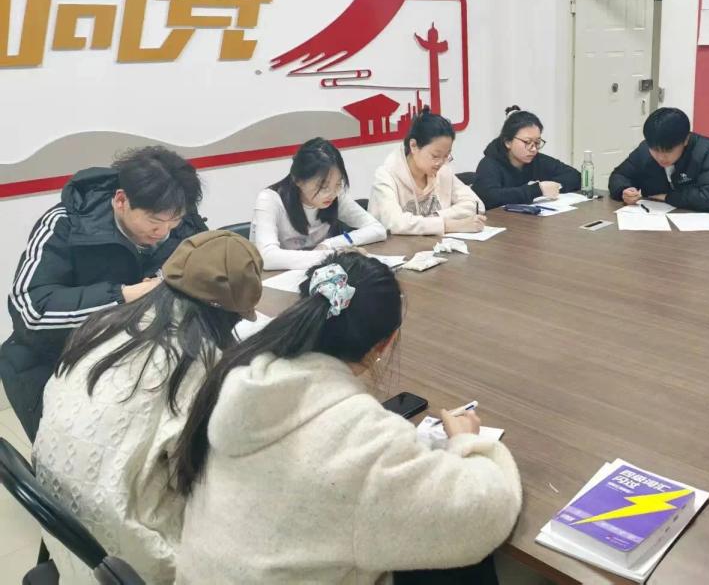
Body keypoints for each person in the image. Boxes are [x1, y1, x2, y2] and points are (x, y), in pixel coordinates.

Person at [172, 252, 522, 584]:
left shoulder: (242, 382)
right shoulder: (360, 438)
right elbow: (485, 514)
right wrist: (466, 442)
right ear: (386, 343)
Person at [31, 230, 262, 585]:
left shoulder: (103, 325)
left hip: (60, 526)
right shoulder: (198, 367)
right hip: (124, 557)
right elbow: (202, 476)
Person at [0, 146, 206, 440]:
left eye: (173, 222)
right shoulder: (66, 223)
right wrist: (123, 295)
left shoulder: (182, 222)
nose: (164, 232)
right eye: (154, 222)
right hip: (54, 361)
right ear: (121, 200)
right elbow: (31, 310)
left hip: (136, 361)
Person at [250, 137, 386, 270]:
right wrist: (333, 255)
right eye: (323, 186)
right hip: (274, 280)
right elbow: (267, 257)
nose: (332, 193)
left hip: (319, 275)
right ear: (298, 180)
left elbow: (377, 229)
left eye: (338, 184)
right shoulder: (270, 200)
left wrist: (329, 244)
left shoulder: (336, 196)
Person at [369, 108, 486, 236]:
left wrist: (436, 217)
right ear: (413, 146)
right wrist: (448, 225)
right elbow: (395, 223)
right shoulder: (386, 176)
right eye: (435, 156)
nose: (441, 162)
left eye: (446, 156)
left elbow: (476, 205)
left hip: (433, 245)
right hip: (395, 247)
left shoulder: (442, 171)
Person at [609, 107, 709, 212]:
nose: (661, 157)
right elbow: (619, 175)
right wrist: (625, 190)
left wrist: (667, 197)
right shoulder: (644, 150)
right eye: (655, 150)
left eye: (668, 151)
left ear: (685, 140)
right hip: (658, 221)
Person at [472, 106, 581, 210]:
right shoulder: (489, 164)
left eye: (537, 142)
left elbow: (575, 176)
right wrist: (537, 190)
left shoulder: (537, 159)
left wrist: (553, 186)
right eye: (527, 142)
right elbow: (489, 197)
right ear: (508, 142)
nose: (533, 149)